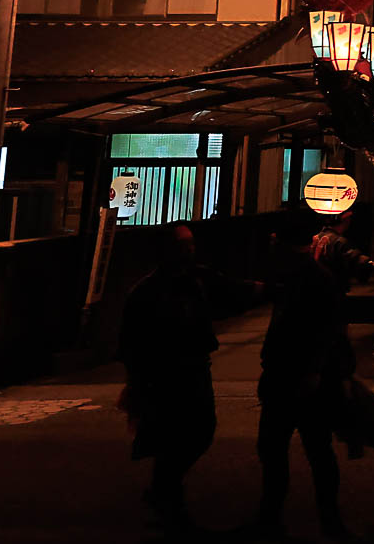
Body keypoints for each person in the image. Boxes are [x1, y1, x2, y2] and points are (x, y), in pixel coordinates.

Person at [118, 223, 260, 530]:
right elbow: (131, 343)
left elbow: (234, 288)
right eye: (183, 245)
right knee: (182, 433)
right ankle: (168, 496)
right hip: (165, 372)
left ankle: (164, 492)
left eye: (191, 244)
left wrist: (265, 289)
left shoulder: (194, 279)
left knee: (195, 431)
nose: (189, 250)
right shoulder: (148, 291)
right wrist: (136, 382)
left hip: (193, 367)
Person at [256, 208, 355, 539]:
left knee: (282, 449)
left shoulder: (304, 277)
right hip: (302, 376)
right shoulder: (306, 276)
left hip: (297, 377)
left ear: (283, 242)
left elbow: (324, 331)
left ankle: (277, 519)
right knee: (312, 450)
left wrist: (312, 370)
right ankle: (325, 521)